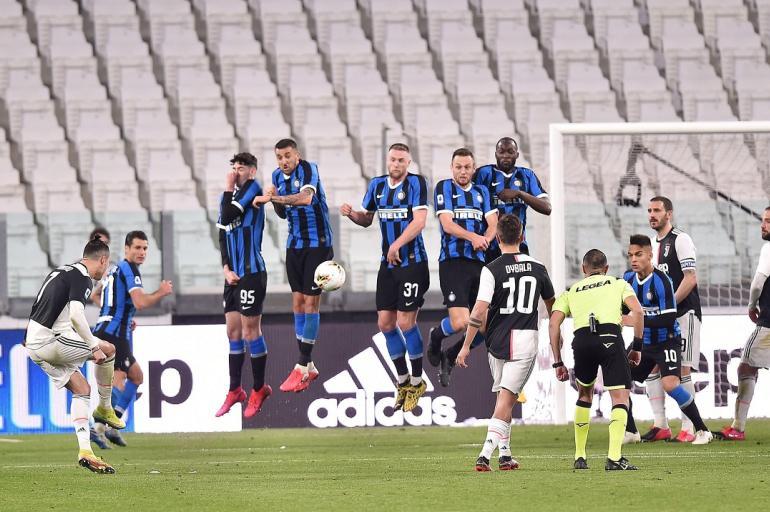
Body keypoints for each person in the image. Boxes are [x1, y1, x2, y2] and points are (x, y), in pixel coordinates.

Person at [455, 214, 554, 472]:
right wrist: (557, 342)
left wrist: (466, 345)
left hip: (497, 340)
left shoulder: (491, 269)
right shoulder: (538, 267)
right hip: (525, 339)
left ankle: (505, 455)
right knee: (506, 400)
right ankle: (485, 455)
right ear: (522, 236)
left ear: (497, 238)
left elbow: (478, 311)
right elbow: (553, 308)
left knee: (503, 398)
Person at [340, 142, 430, 413]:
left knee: (405, 322)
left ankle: (417, 382)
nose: (396, 164)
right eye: (393, 159)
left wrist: (396, 245)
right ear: (387, 160)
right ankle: (402, 381)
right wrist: (352, 214)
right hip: (388, 266)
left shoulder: (416, 184)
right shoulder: (377, 185)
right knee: (385, 323)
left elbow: (420, 221)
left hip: (413, 263)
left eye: (401, 160)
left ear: (408, 163)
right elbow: (367, 218)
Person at [24, 237, 122, 473]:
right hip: (51, 340)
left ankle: (86, 451)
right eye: (106, 265)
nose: (104, 271)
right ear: (102, 260)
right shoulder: (82, 277)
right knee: (108, 350)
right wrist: (93, 346)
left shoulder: (62, 271)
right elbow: (77, 315)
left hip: (34, 343)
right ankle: (105, 408)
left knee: (82, 389)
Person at [549, 249, 644, 471]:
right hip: (610, 337)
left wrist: (558, 362)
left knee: (584, 394)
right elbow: (638, 312)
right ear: (606, 268)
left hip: (582, 341)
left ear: (583, 269)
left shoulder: (571, 290)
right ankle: (614, 458)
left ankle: (580, 456)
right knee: (620, 397)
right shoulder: (618, 283)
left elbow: (553, 323)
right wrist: (637, 347)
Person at [622, 235, 713, 445]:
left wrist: (635, 320)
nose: (633, 259)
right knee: (619, 381)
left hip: (667, 341)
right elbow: (622, 309)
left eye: (638, 254)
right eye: (630, 255)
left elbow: (667, 319)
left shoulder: (662, 280)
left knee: (670, 384)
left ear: (650, 255)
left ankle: (702, 430)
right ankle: (631, 431)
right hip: (644, 342)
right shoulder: (627, 279)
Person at [262, 139, 333, 393]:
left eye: (287, 156)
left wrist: (275, 197)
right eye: (279, 157)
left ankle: (302, 364)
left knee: (311, 303)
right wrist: (273, 200)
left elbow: (305, 198)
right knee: (297, 302)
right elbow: (282, 213)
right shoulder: (276, 176)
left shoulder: (308, 169)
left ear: (297, 155)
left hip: (318, 244)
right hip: (294, 244)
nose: (284, 161)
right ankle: (308, 365)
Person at [92, 230, 173, 446]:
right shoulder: (129, 268)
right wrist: (161, 291)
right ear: (126, 248)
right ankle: (99, 425)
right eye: (137, 247)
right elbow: (140, 302)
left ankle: (108, 426)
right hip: (114, 334)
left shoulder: (114, 268)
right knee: (119, 381)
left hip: (107, 328)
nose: (142, 252)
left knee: (136, 376)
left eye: (145, 248)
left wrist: (118, 312)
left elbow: (95, 295)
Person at [215, 153, 273, 418]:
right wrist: (226, 268)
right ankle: (235, 390)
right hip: (233, 276)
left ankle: (259, 388)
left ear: (252, 171)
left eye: (241, 168)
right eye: (234, 168)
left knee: (251, 332)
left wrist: (229, 187)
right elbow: (222, 232)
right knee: (233, 332)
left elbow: (228, 216)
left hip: (252, 273)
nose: (236, 172)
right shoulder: (227, 197)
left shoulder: (253, 189)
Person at [645, 196, 703, 442]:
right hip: (662, 318)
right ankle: (661, 424)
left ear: (669, 214)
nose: (652, 214)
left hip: (685, 314)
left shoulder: (681, 239)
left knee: (682, 369)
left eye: (657, 210)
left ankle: (689, 427)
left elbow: (690, 278)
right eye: (649, 210)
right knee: (653, 366)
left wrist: (669, 305)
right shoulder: (651, 244)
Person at [721, 207, 770, 440]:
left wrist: (752, 305)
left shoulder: (769, 248)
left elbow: (758, 283)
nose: (763, 225)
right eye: (763, 220)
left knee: (746, 366)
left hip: (768, 324)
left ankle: (738, 427)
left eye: (768, 221)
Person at [473, 137, 551, 259]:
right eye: (501, 152)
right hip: (490, 246)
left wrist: (520, 194)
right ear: (496, 154)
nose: (506, 156)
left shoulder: (527, 175)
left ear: (517, 154)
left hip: (519, 245)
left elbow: (547, 208)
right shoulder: (483, 174)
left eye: (510, 152)